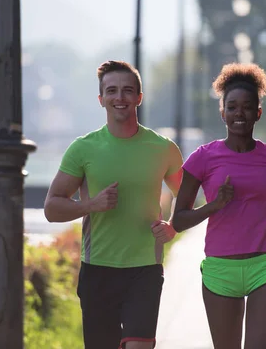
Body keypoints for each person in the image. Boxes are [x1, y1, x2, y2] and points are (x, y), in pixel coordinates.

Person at [171, 63, 266, 349]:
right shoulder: (202, 158)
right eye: (233, 107)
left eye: (248, 107)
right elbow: (178, 221)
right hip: (219, 269)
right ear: (222, 112)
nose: (240, 113)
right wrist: (214, 206)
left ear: (258, 113)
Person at [44, 60, 183, 349]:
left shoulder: (163, 149)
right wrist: (90, 205)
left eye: (127, 91)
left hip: (145, 268)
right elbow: (52, 208)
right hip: (98, 271)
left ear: (139, 98)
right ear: (101, 99)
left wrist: (173, 227)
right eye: (112, 91)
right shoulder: (83, 148)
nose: (119, 98)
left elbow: (187, 195)